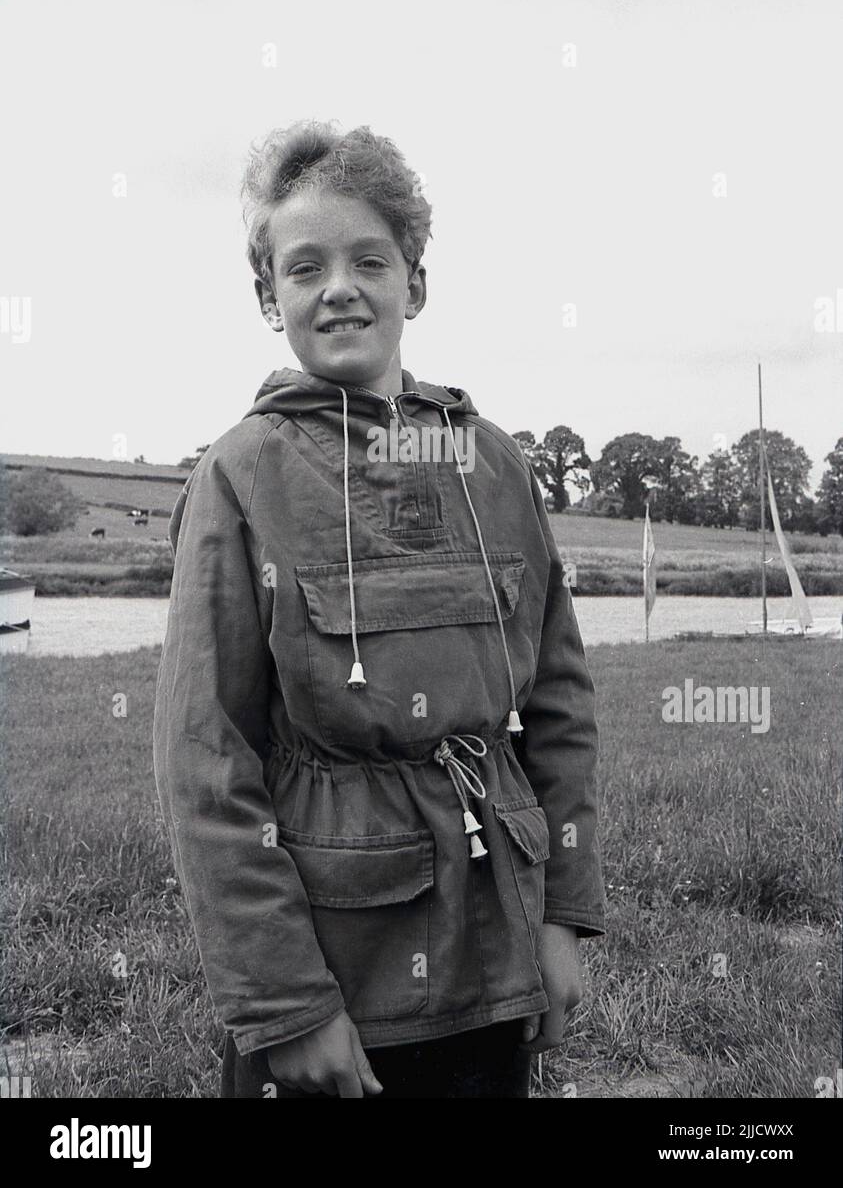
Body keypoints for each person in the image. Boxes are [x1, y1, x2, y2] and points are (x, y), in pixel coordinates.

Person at [152, 120, 606, 1099]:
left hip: (498, 958)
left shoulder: (493, 461)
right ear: (271, 298)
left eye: (370, 258)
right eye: (304, 266)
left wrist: (563, 913)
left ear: (417, 282)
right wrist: (288, 1007)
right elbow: (203, 758)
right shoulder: (241, 476)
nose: (340, 286)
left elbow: (561, 703)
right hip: (338, 981)